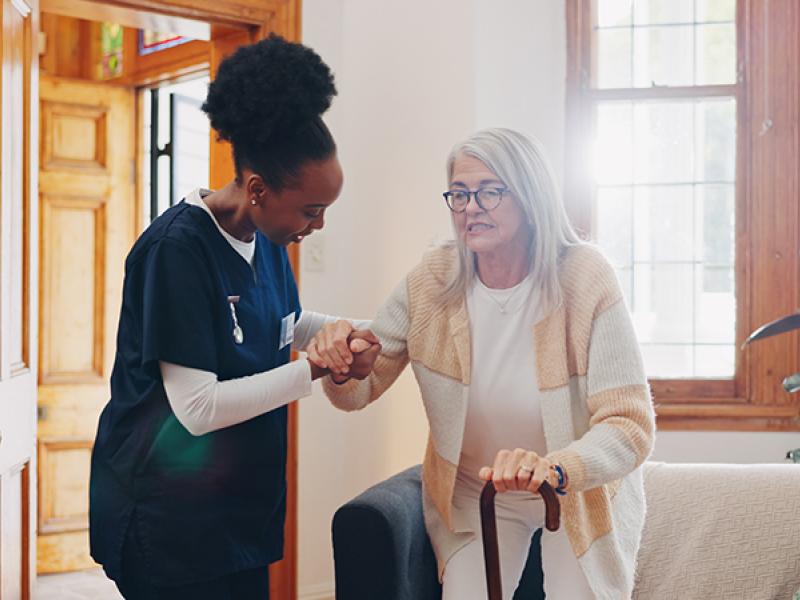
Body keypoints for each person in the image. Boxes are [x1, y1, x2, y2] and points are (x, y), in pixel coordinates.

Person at [88, 34, 379, 600]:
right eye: (311, 211)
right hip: (167, 516)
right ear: (257, 189)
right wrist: (316, 370)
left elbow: (281, 322)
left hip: (237, 508)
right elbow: (196, 408)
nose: (316, 226)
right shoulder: (176, 251)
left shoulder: (267, 237)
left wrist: (343, 332)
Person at [310, 128, 655, 599]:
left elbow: (630, 425)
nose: (471, 206)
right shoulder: (432, 281)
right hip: (477, 490)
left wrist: (556, 470)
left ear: (531, 196)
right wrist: (342, 363)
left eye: (490, 192)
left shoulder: (585, 278)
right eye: (459, 193)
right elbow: (359, 387)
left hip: (572, 488)